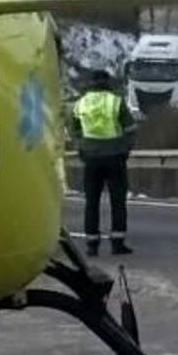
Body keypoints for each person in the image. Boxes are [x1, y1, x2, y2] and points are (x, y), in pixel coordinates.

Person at [72, 69, 140, 256]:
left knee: (91, 202)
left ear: (91, 84)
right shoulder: (115, 102)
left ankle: (92, 245)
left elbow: (74, 131)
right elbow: (131, 128)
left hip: (91, 159)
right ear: (108, 83)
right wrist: (125, 149)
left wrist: (83, 149)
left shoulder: (80, 104)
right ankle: (117, 243)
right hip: (114, 157)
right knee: (117, 201)